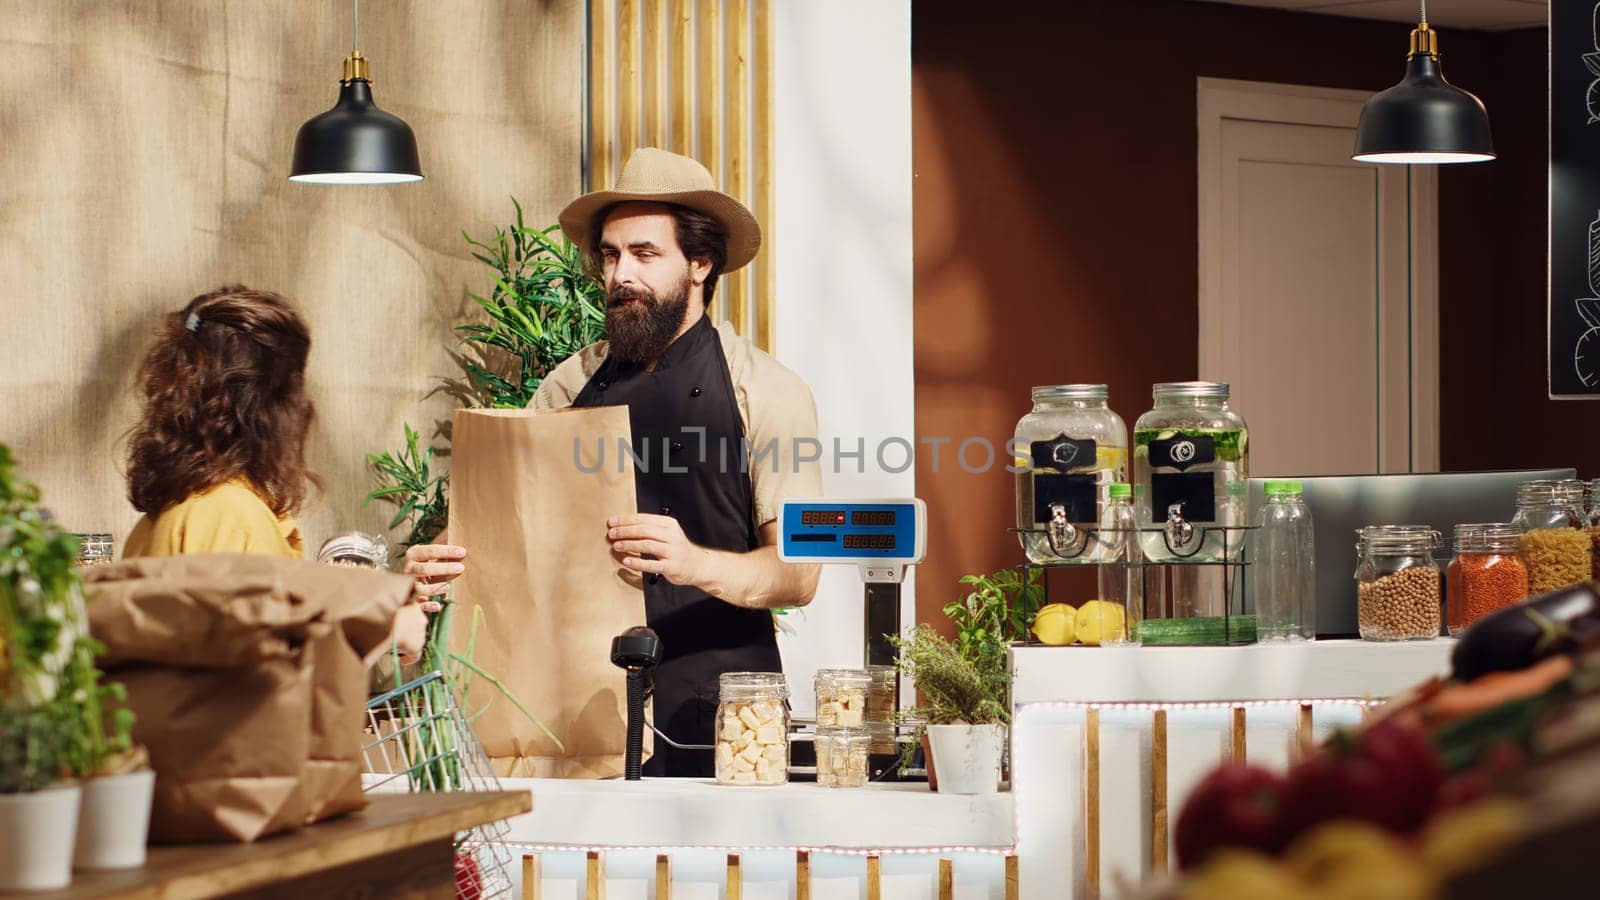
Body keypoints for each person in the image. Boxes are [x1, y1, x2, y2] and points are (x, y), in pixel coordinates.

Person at [411, 147, 824, 775]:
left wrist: (692, 564)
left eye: (644, 254)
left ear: (701, 263)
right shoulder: (565, 385)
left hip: (724, 717)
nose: (619, 274)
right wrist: (437, 562)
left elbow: (798, 576)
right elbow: (506, 527)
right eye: (609, 255)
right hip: (579, 712)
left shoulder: (766, 392)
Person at [122, 285, 428, 666]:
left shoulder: (178, 511)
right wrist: (383, 625)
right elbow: (248, 676)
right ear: (274, 404)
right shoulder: (227, 515)